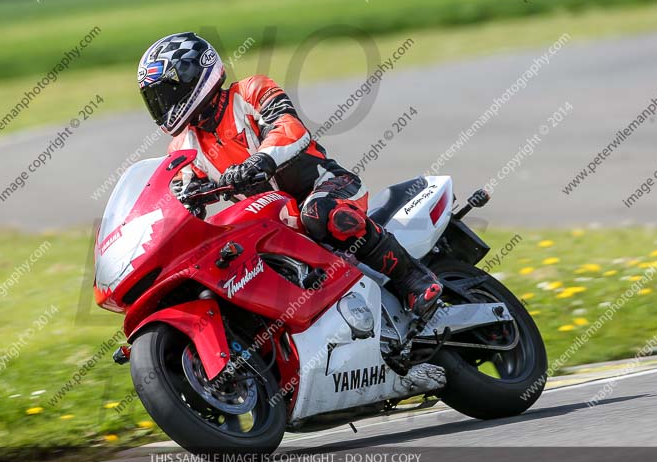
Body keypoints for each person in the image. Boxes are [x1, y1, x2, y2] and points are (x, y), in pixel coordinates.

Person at [137, 32, 442, 337]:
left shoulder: (250, 91)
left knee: (319, 213)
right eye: (155, 99)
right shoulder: (183, 146)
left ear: (194, 77)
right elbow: (179, 195)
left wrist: (259, 161)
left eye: (166, 94)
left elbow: (289, 127)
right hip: (274, 221)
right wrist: (173, 208)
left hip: (327, 186)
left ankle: (414, 279)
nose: (162, 106)